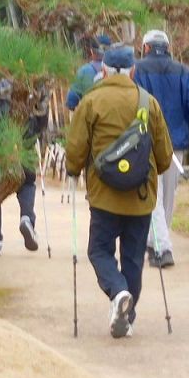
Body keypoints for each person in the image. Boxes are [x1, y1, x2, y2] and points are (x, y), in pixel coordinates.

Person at [66, 43, 173, 338]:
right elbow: (164, 156)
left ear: (103, 69)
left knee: (99, 250)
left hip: (104, 194)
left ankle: (118, 292)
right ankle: (127, 313)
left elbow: (76, 148)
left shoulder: (91, 101)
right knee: (133, 258)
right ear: (132, 70)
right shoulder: (148, 102)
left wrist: (73, 170)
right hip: (140, 196)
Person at [133, 28, 189, 268]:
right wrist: (183, 119)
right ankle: (157, 245)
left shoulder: (138, 70)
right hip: (176, 142)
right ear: (168, 47)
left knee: (152, 193)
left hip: (146, 140)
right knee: (168, 195)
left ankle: (162, 247)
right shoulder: (182, 71)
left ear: (145, 48)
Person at [0, 69, 44, 256]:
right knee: (27, 183)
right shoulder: (29, 77)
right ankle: (27, 218)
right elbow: (40, 120)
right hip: (23, 143)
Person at [66, 33, 111, 111]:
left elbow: (71, 102)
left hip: (94, 117)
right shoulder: (122, 69)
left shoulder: (83, 71)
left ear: (92, 51)